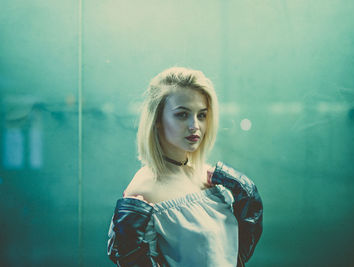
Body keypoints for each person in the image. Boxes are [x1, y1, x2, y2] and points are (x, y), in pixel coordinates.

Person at [107, 67, 263, 267]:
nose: (194, 126)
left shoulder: (209, 176)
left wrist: (248, 201)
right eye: (182, 115)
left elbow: (229, 254)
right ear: (157, 120)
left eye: (202, 115)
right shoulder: (143, 190)